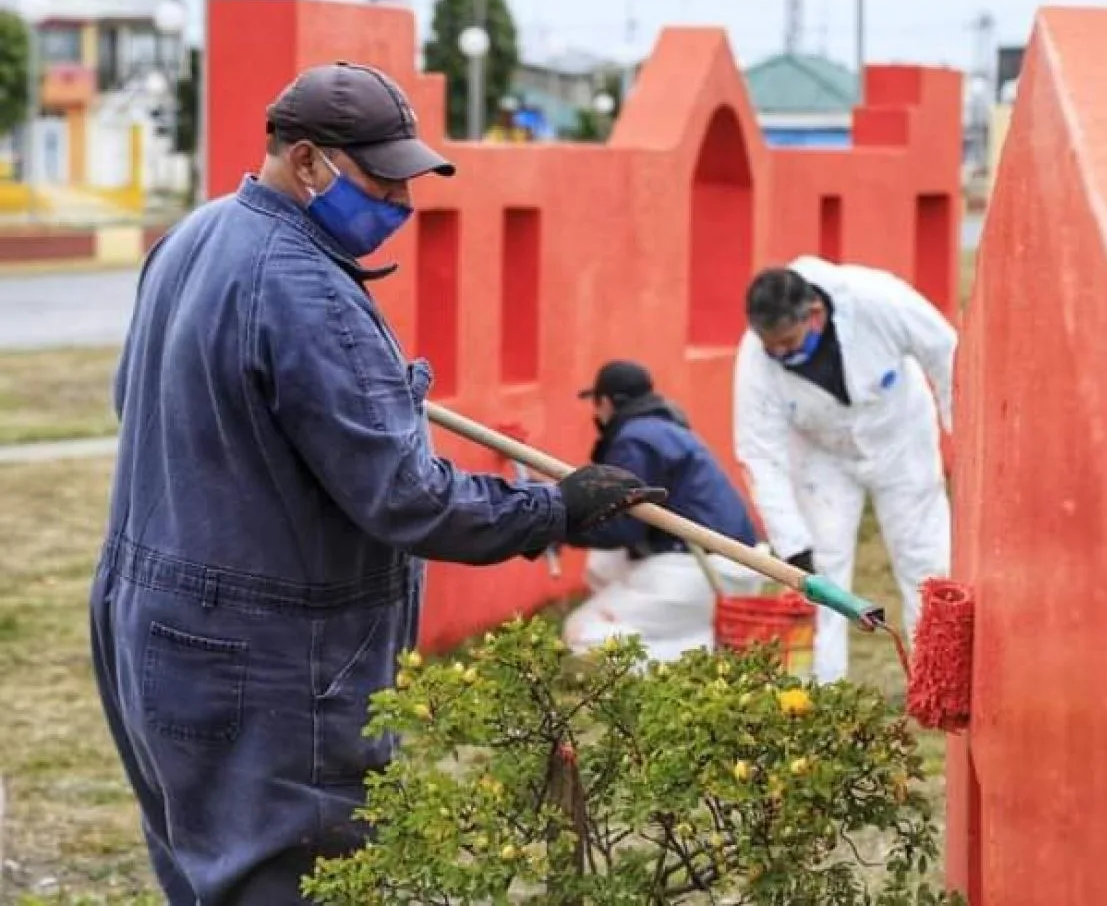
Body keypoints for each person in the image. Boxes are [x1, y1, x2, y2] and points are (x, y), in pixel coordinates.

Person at [89, 61, 664, 905]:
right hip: (262, 655)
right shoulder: (306, 288)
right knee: (297, 882)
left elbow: (133, 400)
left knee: (206, 869)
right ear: (310, 162)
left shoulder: (194, 236)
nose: (402, 204)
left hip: (153, 629)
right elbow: (408, 497)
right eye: (384, 180)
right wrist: (555, 509)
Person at [733, 255, 956, 683]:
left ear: (813, 314)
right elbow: (760, 452)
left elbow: (944, 351)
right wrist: (792, 543)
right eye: (770, 347)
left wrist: (960, 430)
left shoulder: (878, 298)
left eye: (788, 343)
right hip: (822, 453)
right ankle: (822, 688)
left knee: (924, 558)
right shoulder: (755, 360)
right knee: (821, 570)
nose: (779, 354)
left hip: (899, 436)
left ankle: (935, 679)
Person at [563, 360, 765, 661]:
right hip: (733, 563)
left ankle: (662, 677)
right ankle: (697, 651)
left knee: (583, 632)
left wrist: (555, 526)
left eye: (597, 403)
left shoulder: (633, 441)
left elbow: (622, 526)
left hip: (702, 567)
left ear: (605, 402)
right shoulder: (664, 429)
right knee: (603, 564)